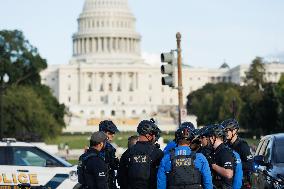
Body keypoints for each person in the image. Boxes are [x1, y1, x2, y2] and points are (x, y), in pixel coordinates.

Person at [118, 119, 163, 189]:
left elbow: (121, 178)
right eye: (154, 134)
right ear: (149, 136)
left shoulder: (127, 153)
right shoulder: (158, 153)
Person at [221, 118, 253, 188]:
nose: (225, 133)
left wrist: (235, 163)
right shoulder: (226, 145)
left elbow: (250, 165)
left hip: (241, 182)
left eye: (227, 131)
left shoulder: (242, 145)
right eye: (224, 131)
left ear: (234, 130)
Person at [206, 124, 235, 189]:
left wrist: (213, 166)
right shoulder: (214, 151)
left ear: (213, 137)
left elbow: (229, 173)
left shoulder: (225, 152)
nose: (207, 140)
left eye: (208, 138)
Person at [99, 120, 120, 189]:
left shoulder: (94, 145)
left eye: (113, 133)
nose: (113, 135)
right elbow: (113, 165)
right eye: (110, 133)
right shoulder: (109, 148)